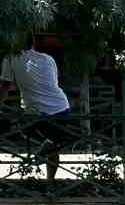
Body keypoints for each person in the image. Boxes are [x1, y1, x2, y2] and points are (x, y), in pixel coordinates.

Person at [1, 38, 72, 181]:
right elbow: (50, 84)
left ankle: (47, 146)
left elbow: (5, 87)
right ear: (33, 44)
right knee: (55, 144)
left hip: (38, 112)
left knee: (24, 127)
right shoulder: (48, 58)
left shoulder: (10, 58)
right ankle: (50, 182)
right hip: (62, 107)